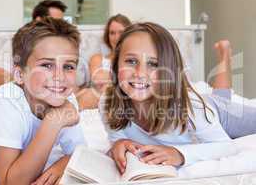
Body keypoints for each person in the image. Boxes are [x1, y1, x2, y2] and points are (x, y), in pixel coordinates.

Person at [100, 22, 256, 174]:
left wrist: (179, 154)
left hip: (217, 112)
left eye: (153, 64)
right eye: (131, 61)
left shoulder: (191, 107)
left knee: (224, 103)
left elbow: (227, 146)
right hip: (205, 112)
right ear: (115, 65)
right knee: (219, 98)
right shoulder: (108, 103)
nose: (140, 73)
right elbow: (117, 138)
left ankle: (225, 57)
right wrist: (118, 144)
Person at [0, 18, 85, 185]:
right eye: (47, 65)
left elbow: (80, 152)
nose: (60, 77)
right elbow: (12, 182)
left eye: (68, 66)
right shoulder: (3, 104)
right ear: (19, 75)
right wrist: (52, 123)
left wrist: (64, 164)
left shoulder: (66, 98)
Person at [0, 0, 67, 94]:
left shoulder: (64, 46)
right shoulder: (19, 43)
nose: (60, 27)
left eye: (62, 22)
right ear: (39, 20)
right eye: (55, 22)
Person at [77, 14, 132, 109]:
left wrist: (108, 77)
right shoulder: (97, 58)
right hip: (96, 100)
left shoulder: (134, 61)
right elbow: (98, 80)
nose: (116, 37)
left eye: (121, 32)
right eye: (112, 33)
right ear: (107, 36)